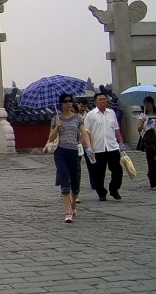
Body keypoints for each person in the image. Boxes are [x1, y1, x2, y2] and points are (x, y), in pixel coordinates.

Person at [45, 93, 94, 223]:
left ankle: (73, 205)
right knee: (64, 180)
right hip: (60, 152)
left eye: (70, 101)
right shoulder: (56, 118)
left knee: (75, 180)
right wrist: (57, 127)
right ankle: (67, 211)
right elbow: (50, 138)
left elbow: (84, 133)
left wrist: (89, 147)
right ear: (61, 103)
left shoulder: (78, 118)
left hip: (74, 151)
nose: (68, 103)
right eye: (66, 101)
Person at [84, 91, 125, 201]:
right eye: (100, 100)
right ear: (95, 102)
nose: (103, 101)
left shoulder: (111, 113)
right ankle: (101, 193)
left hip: (112, 146)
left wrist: (121, 142)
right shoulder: (90, 115)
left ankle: (114, 189)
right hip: (98, 148)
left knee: (117, 170)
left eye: (104, 99)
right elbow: (86, 132)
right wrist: (88, 146)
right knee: (99, 173)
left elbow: (116, 128)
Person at [138, 95, 156, 190]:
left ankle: (151, 174)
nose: (146, 106)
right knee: (151, 161)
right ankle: (153, 184)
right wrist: (142, 122)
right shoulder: (142, 116)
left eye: (148, 104)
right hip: (148, 140)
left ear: (152, 104)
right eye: (145, 104)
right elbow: (139, 129)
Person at [76, 98, 96, 190]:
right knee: (76, 164)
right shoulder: (74, 116)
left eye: (85, 106)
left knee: (91, 163)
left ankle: (94, 183)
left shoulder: (90, 115)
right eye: (81, 106)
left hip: (87, 143)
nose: (83, 108)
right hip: (78, 143)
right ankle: (76, 183)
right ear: (77, 105)